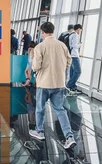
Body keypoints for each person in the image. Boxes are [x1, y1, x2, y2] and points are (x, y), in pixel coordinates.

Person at [29, 22, 76, 150]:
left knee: (40, 108)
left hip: (44, 83)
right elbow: (69, 61)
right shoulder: (62, 46)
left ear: (43, 32)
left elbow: (36, 66)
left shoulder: (40, 47)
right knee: (60, 110)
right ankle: (69, 137)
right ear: (53, 31)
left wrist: (34, 67)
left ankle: (39, 132)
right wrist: (61, 69)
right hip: (59, 83)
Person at [66, 24, 83, 96]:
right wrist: (80, 44)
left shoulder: (71, 35)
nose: (80, 32)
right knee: (78, 71)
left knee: (72, 72)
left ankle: (73, 87)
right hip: (74, 56)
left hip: (71, 55)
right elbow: (74, 46)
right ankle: (69, 85)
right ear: (78, 29)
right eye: (80, 30)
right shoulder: (76, 35)